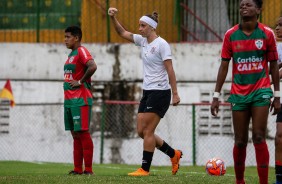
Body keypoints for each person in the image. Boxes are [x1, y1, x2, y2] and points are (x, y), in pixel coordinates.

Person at [210, 0, 280, 184]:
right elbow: (224, 66)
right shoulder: (230, 35)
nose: (243, 7)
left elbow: (274, 66)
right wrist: (216, 96)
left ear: (258, 9)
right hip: (239, 93)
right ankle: (239, 181)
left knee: (258, 136)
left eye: (248, 4)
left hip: (261, 91)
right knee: (240, 140)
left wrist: (277, 96)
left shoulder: (267, 34)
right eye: (241, 4)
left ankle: (263, 182)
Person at [108, 7, 182, 176]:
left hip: (160, 92)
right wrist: (113, 18)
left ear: (152, 27)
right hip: (147, 92)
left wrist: (175, 93)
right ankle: (173, 154)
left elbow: (170, 70)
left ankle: (145, 169)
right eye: (139, 25)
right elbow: (122, 32)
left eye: (142, 26)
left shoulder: (162, 45)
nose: (139, 29)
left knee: (148, 131)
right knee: (141, 131)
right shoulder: (143, 41)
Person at [64, 26, 97, 175]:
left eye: (68, 37)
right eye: (65, 37)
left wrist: (81, 81)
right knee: (75, 134)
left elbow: (92, 66)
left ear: (76, 38)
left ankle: (88, 170)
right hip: (69, 101)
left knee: (83, 132)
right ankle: (78, 169)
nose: (65, 40)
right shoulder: (71, 54)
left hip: (80, 99)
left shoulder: (82, 51)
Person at [275, 16, 282, 184]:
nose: (277, 28)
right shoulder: (276, 47)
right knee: (279, 136)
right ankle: (279, 177)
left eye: (281, 26)